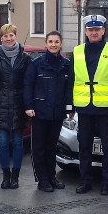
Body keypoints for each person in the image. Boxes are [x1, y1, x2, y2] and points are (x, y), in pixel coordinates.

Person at [72, 14, 108, 196]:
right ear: (86, 32)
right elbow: (72, 80)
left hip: (105, 108)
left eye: (97, 29)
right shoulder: (77, 51)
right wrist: (69, 107)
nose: (94, 32)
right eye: (90, 29)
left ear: (103, 31)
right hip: (84, 108)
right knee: (84, 147)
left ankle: (107, 181)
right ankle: (85, 180)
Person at [24, 31, 73, 192]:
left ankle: (52, 177)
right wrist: (29, 106)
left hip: (57, 112)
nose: (53, 44)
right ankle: (42, 179)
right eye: (50, 41)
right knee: (39, 147)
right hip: (39, 112)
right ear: (46, 44)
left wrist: (69, 107)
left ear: (61, 44)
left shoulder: (66, 64)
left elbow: (69, 89)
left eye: (56, 42)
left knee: (52, 147)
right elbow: (28, 86)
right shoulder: (37, 63)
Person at [0, 23, 32, 189]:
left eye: (11, 35)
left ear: (15, 36)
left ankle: (16, 176)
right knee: (4, 143)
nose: (9, 38)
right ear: (2, 38)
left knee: (18, 143)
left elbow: (28, 83)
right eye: (5, 36)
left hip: (19, 105)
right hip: (1, 104)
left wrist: (28, 105)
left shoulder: (25, 58)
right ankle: (6, 175)